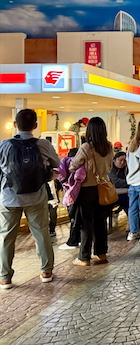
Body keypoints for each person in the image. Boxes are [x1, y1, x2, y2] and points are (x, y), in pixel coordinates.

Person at [0, 109, 60, 289]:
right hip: (36, 196)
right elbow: (57, 163)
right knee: (41, 233)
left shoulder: (4, 145)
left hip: (9, 197)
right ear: (35, 126)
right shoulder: (43, 145)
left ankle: (5, 277)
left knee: (6, 236)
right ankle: (46, 271)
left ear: (15, 124)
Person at [69, 117, 113, 265]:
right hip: (103, 186)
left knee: (86, 223)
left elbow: (73, 166)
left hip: (87, 189)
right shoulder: (108, 146)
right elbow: (110, 167)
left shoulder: (86, 147)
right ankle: (101, 253)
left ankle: (84, 257)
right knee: (101, 221)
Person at [56, 148, 84, 250]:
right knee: (81, 218)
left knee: (74, 218)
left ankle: (73, 241)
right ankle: (80, 239)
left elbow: (60, 176)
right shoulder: (83, 163)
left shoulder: (65, 162)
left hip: (72, 194)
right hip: (84, 192)